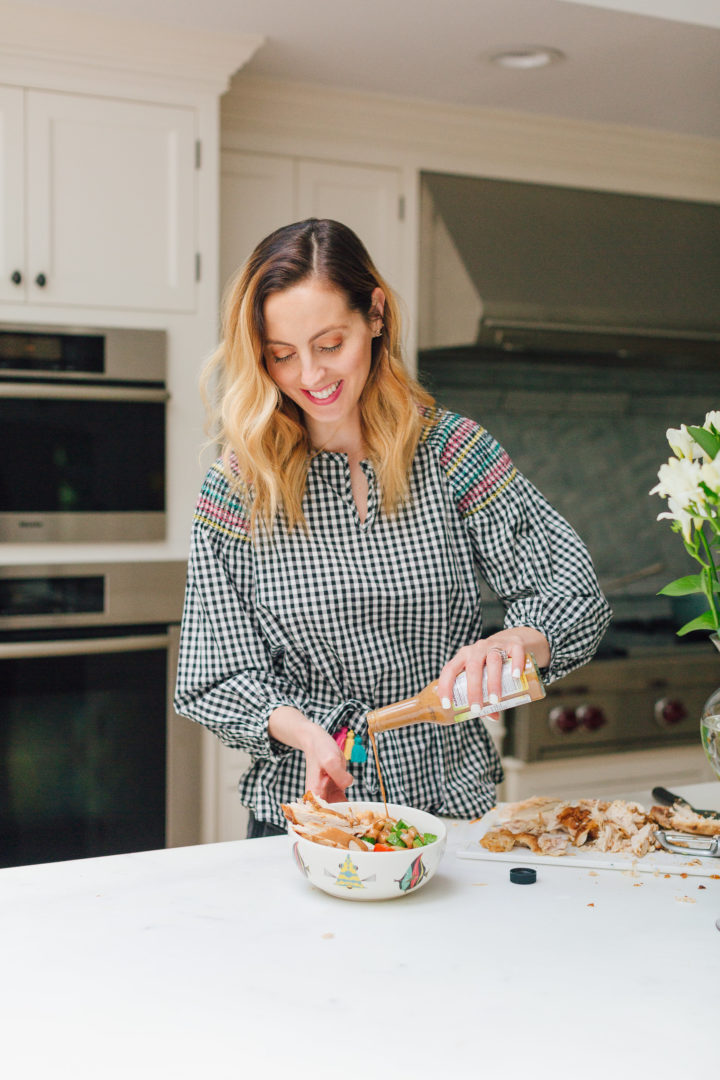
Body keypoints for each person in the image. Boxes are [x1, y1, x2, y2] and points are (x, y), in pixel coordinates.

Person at [174, 218, 611, 838]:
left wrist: (520, 640)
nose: (311, 376)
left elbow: (572, 597)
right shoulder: (240, 488)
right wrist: (307, 734)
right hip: (309, 822)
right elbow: (212, 675)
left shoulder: (453, 454)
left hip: (451, 816)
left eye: (330, 344)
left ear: (375, 315)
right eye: (281, 355)